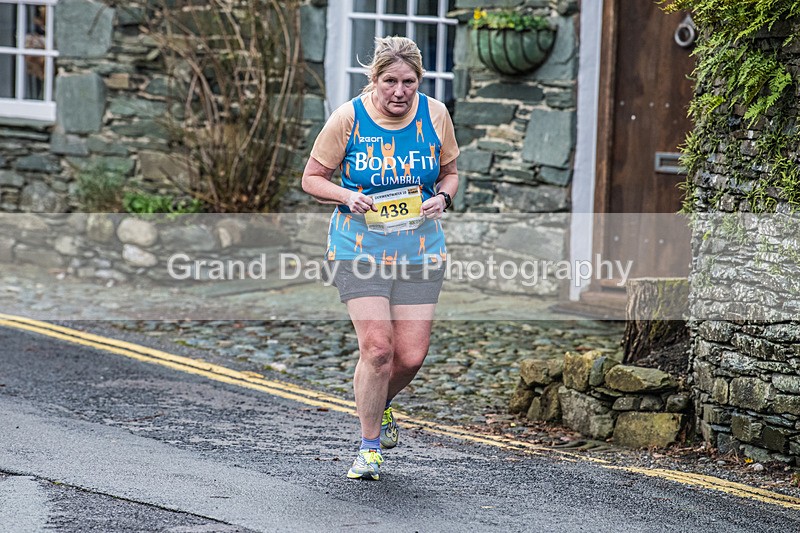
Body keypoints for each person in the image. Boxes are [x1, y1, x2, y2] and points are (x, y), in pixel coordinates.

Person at [301, 36, 459, 480]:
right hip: (359, 248)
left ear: (419, 81)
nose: (399, 91)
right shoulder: (348, 118)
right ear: (374, 80)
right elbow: (312, 178)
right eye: (390, 81)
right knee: (377, 349)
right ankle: (369, 447)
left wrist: (443, 199)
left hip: (420, 250)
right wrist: (346, 195)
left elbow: (450, 172)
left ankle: (379, 401)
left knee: (409, 357)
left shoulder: (435, 115)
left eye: (409, 82)